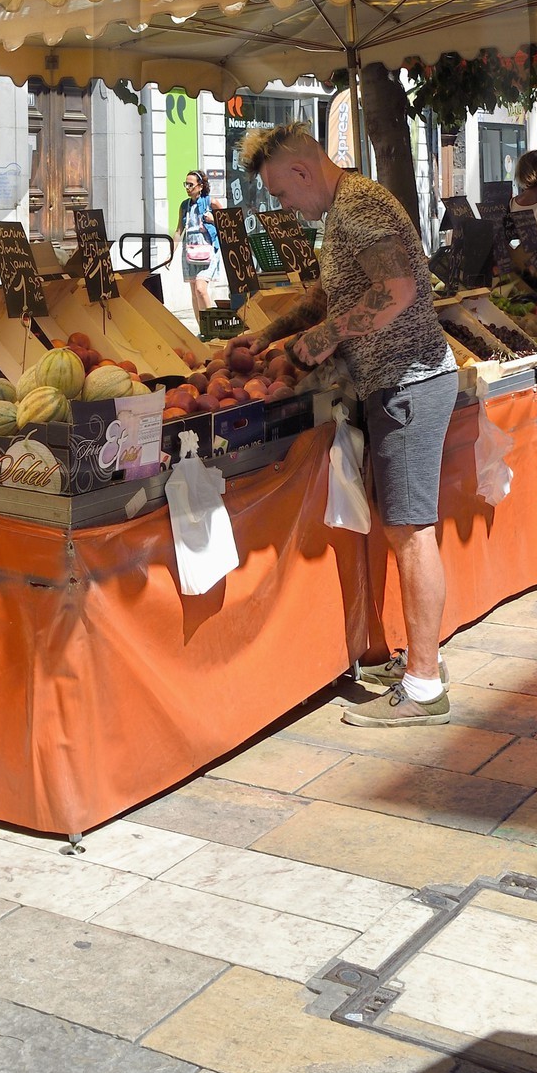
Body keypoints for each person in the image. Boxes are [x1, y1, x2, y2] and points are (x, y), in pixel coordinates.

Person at [228, 120, 456, 727]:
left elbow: (397, 288)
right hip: (398, 385)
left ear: (302, 171)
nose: (283, 206)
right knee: (405, 527)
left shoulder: (358, 210)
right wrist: (273, 333)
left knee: (411, 531)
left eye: (281, 193)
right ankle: (423, 664)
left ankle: (424, 687)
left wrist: (321, 341)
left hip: (410, 383)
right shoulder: (346, 209)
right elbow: (334, 296)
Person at [176, 169, 221, 313]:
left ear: (200, 186)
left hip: (209, 251)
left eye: (191, 185)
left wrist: (213, 220)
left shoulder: (211, 202)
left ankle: (212, 323)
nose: (187, 188)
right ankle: (202, 325)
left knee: (200, 289)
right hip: (190, 251)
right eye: (186, 184)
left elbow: (228, 223)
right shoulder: (185, 206)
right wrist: (170, 254)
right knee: (194, 294)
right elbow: (179, 231)